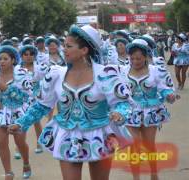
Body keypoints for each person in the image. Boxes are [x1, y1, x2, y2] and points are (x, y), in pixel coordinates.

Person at [9, 25, 132, 180]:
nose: (63, 50)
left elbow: (123, 103)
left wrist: (119, 113)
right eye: (64, 46)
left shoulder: (105, 74)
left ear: (84, 50)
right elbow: (42, 105)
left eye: (68, 46)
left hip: (99, 134)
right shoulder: (56, 74)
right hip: (67, 135)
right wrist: (21, 123)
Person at [121, 39, 177, 180]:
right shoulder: (123, 71)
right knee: (134, 144)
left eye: (138, 58)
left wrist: (169, 95)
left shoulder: (156, 71)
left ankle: (153, 172)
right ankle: (136, 177)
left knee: (149, 145)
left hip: (150, 112)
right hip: (130, 111)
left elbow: (164, 89)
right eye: (132, 58)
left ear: (146, 57)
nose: (135, 61)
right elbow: (118, 91)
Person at [0, 45, 32, 180]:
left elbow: (26, 97)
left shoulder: (21, 74)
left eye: (5, 59)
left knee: (20, 142)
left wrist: (6, 89)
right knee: (2, 142)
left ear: (13, 60)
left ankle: (26, 163)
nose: (1, 61)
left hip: (17, 113)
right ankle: (8, 172)